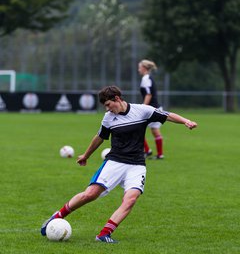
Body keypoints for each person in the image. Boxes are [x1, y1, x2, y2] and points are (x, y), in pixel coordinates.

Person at [41, 85, 197, 243]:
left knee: (131, 199)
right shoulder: (109, 118)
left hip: (137, 164)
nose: (107, 109)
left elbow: (168, 115)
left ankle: (104, 234)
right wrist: (86, 155)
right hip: (115, 161)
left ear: (117, 98)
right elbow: (100, 137)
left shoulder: (142, 110)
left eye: (108, 105)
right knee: (90, 194)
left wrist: (186, 121)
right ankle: (57, 216)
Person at [138, 59, 164, 159]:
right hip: (155, 107)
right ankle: (158, 154)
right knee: (154, 130)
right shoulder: (148, 77)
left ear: (144, 68)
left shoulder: (146, 78)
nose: (138, 69)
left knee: (138, 128)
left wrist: (143, 107)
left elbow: (148, 94)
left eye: (139, 67)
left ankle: (147, 151)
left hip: (151, 108)